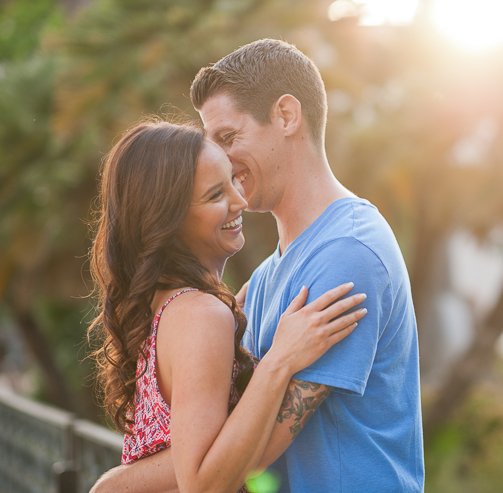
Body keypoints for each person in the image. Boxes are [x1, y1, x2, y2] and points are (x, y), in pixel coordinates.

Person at [93, 38, 424, 493]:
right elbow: (216, 438)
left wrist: (119, 485)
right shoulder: (265, 278)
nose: (220, 160)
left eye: (228, 138)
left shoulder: (348, 251)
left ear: (287, 116)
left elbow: (238, 459)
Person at [88, 119, 367, 493]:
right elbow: (203, 484)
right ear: (169, 220)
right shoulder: (201, 315)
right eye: (215, 195)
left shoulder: (170, 305)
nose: (241, 200)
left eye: (234, 180)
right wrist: (280, 361)